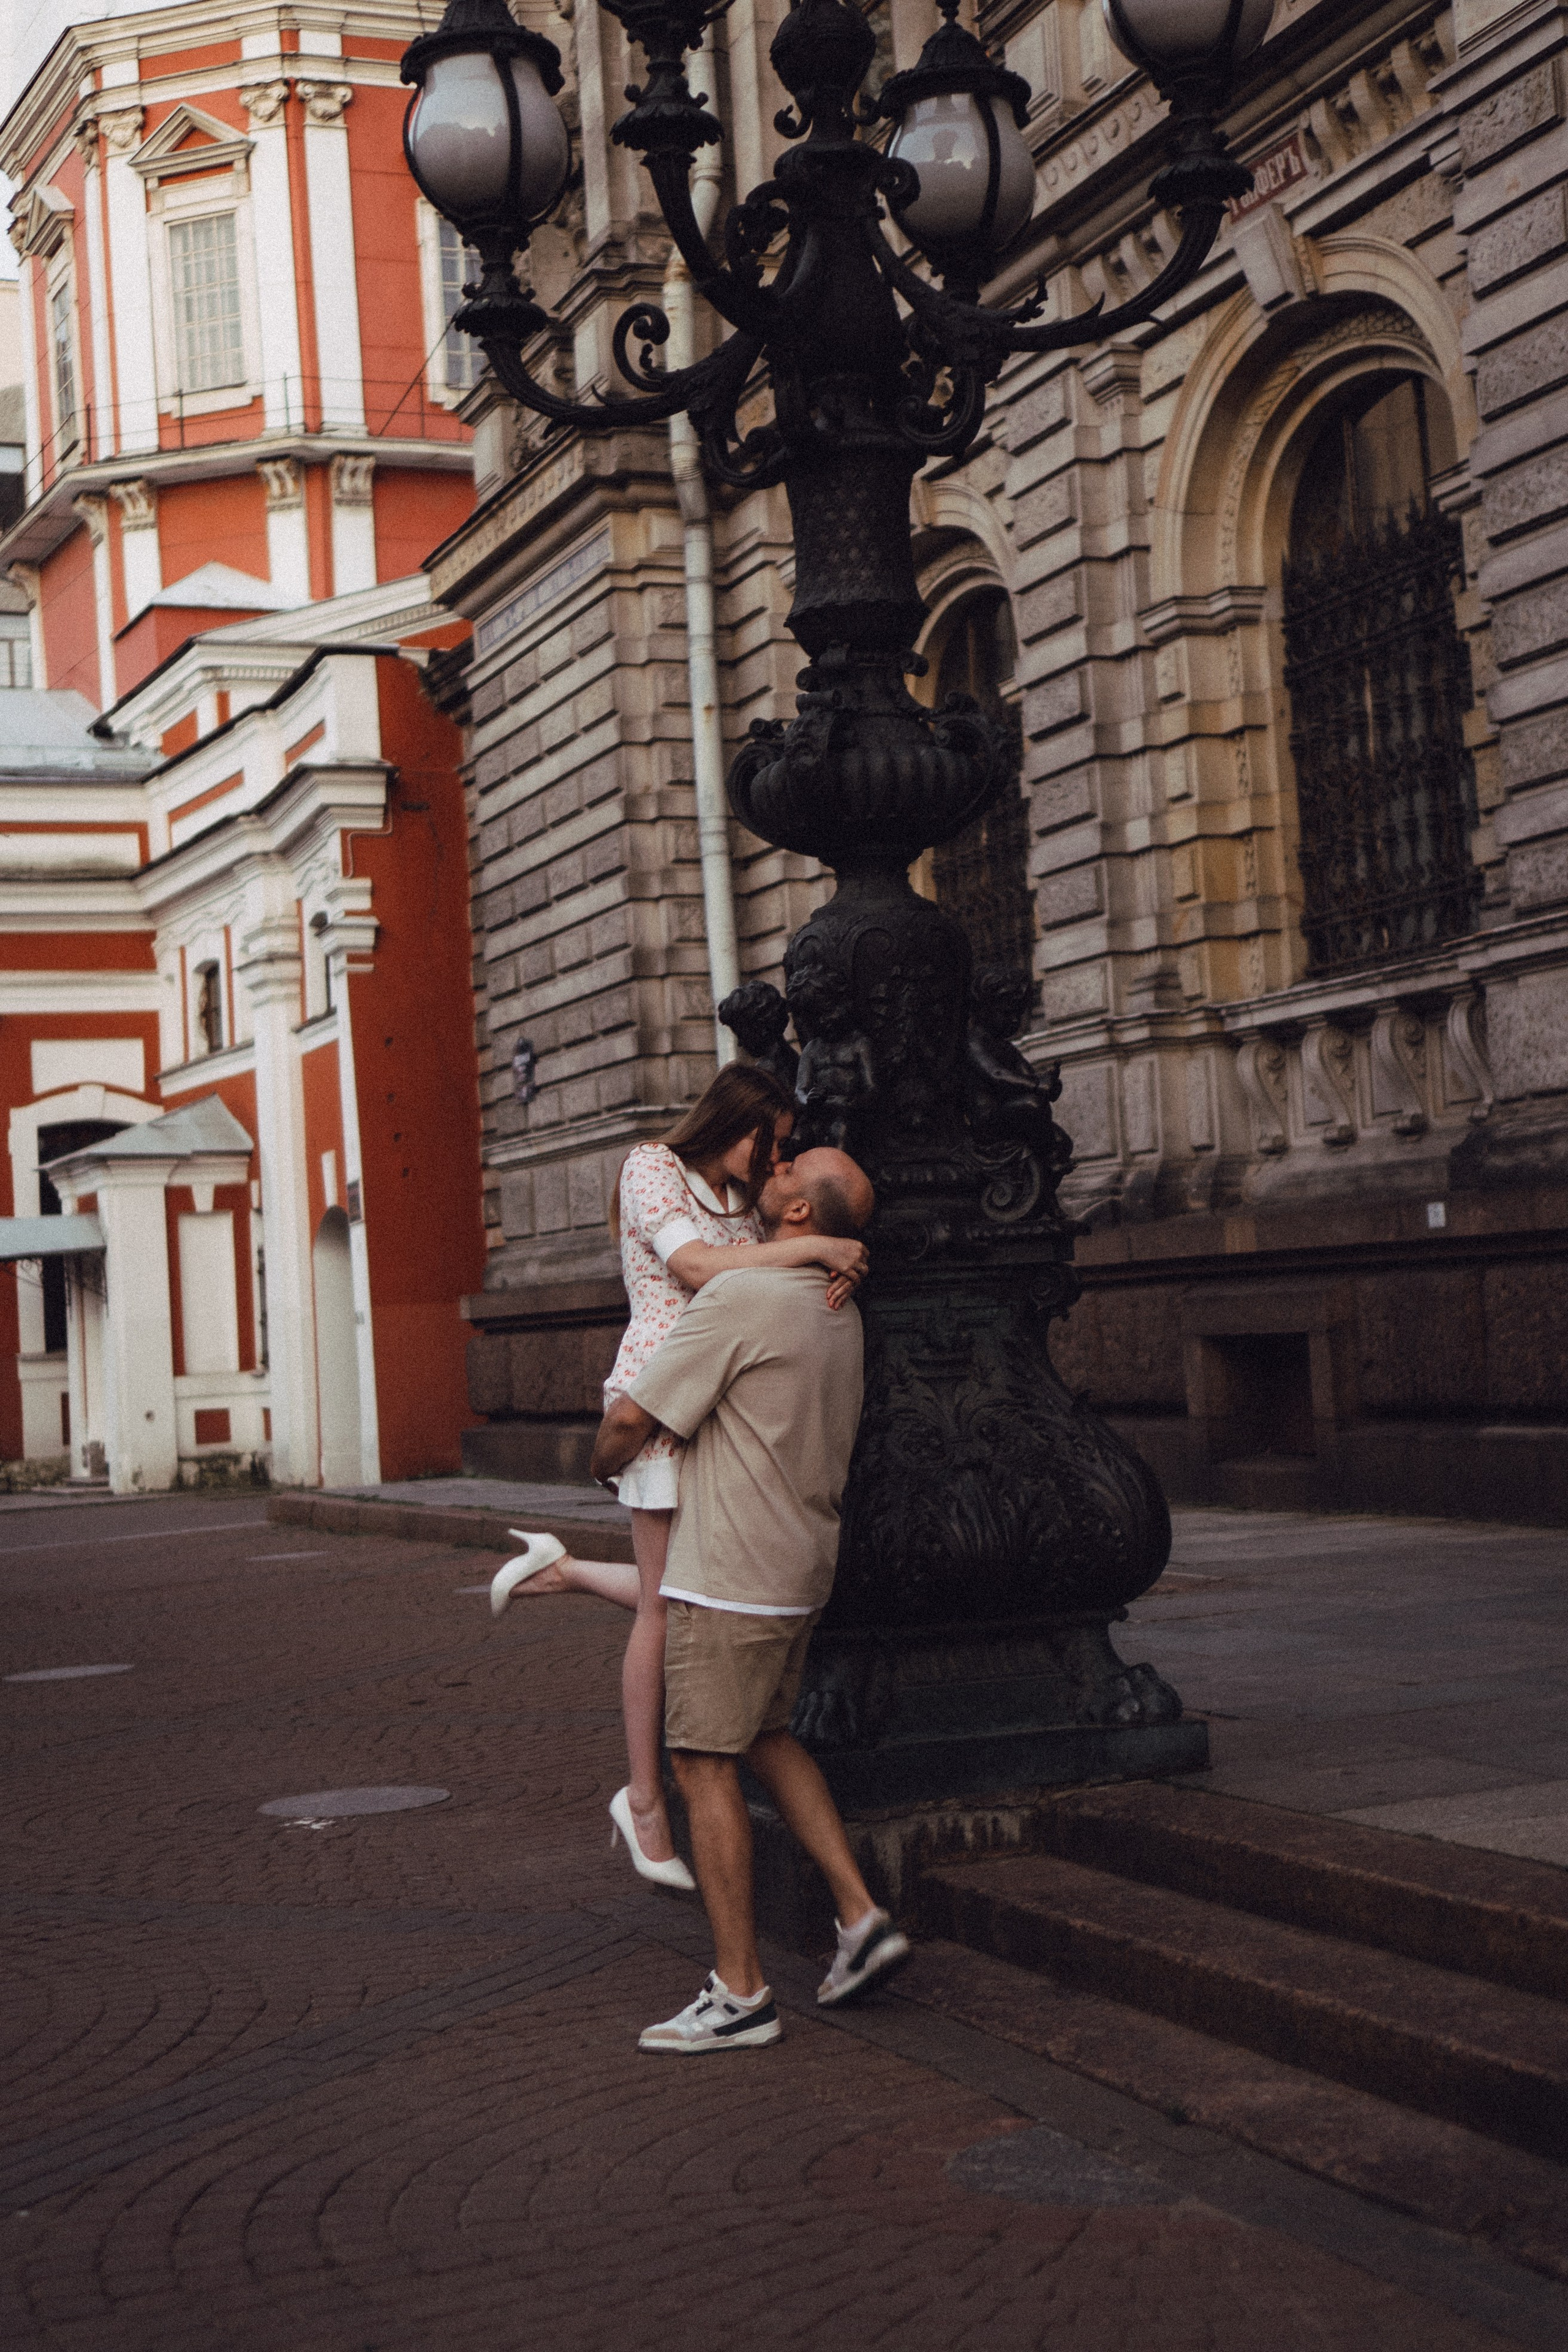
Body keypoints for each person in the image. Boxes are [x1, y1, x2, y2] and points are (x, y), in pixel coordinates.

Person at [491, 1066, 869, 1893]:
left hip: (721, 1406)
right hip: (657, 1399)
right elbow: (697, 1271)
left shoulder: (748, 1200)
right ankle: (643, 1800)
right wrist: (821, 1247)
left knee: (693, 1587)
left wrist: (830, 1263)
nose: (777, 1161)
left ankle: (561, 1569)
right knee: (668, 1606)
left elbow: (767, 1274)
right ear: (731, 1123)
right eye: (768, 1142)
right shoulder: (651, 1167)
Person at [589, 1145, 911, 2053]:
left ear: (801, 1214)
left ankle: (740, 1992)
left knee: (700, 1762)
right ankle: (861, 1917)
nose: (771, 1168)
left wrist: (601, 1465)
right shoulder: (837, 1308)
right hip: (800, 1568)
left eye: (789, 1167)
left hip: (726, 1572)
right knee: (769, 1738)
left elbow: (632, 1419)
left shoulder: (739, 1299)